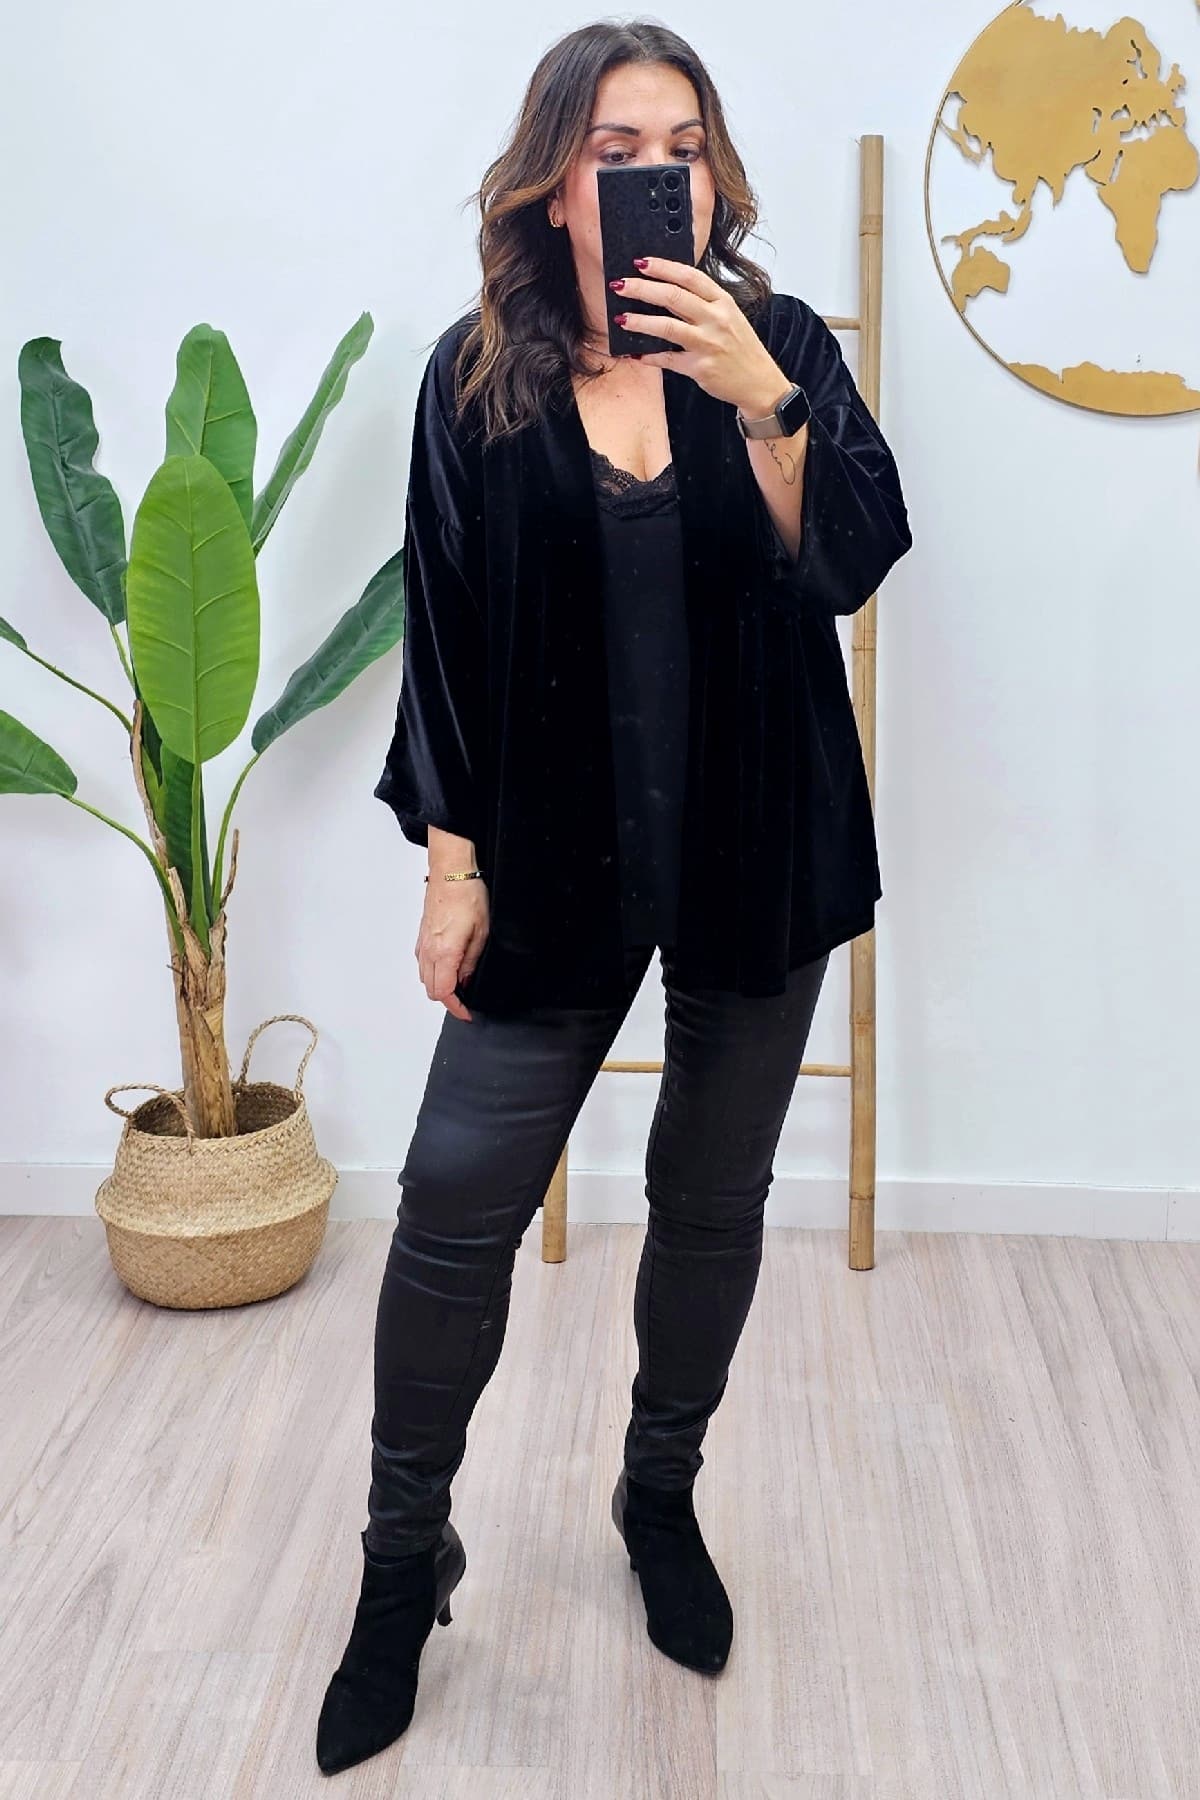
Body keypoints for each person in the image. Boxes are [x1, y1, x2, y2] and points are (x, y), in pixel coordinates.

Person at [316, 18, 912, 1777]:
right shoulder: (475, 377)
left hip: (758, 842)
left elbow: (854, 556)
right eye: (618, 147)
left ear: (715, 177)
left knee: (710, 1206)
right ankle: (402, 1562)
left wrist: (766, 400)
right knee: (451, 1209)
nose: (661, 174)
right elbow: (446, 636)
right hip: (551, 856)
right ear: (555, 182)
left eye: (686, 146)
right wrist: (451, 866)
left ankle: (660, 1497)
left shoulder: (779, 349)